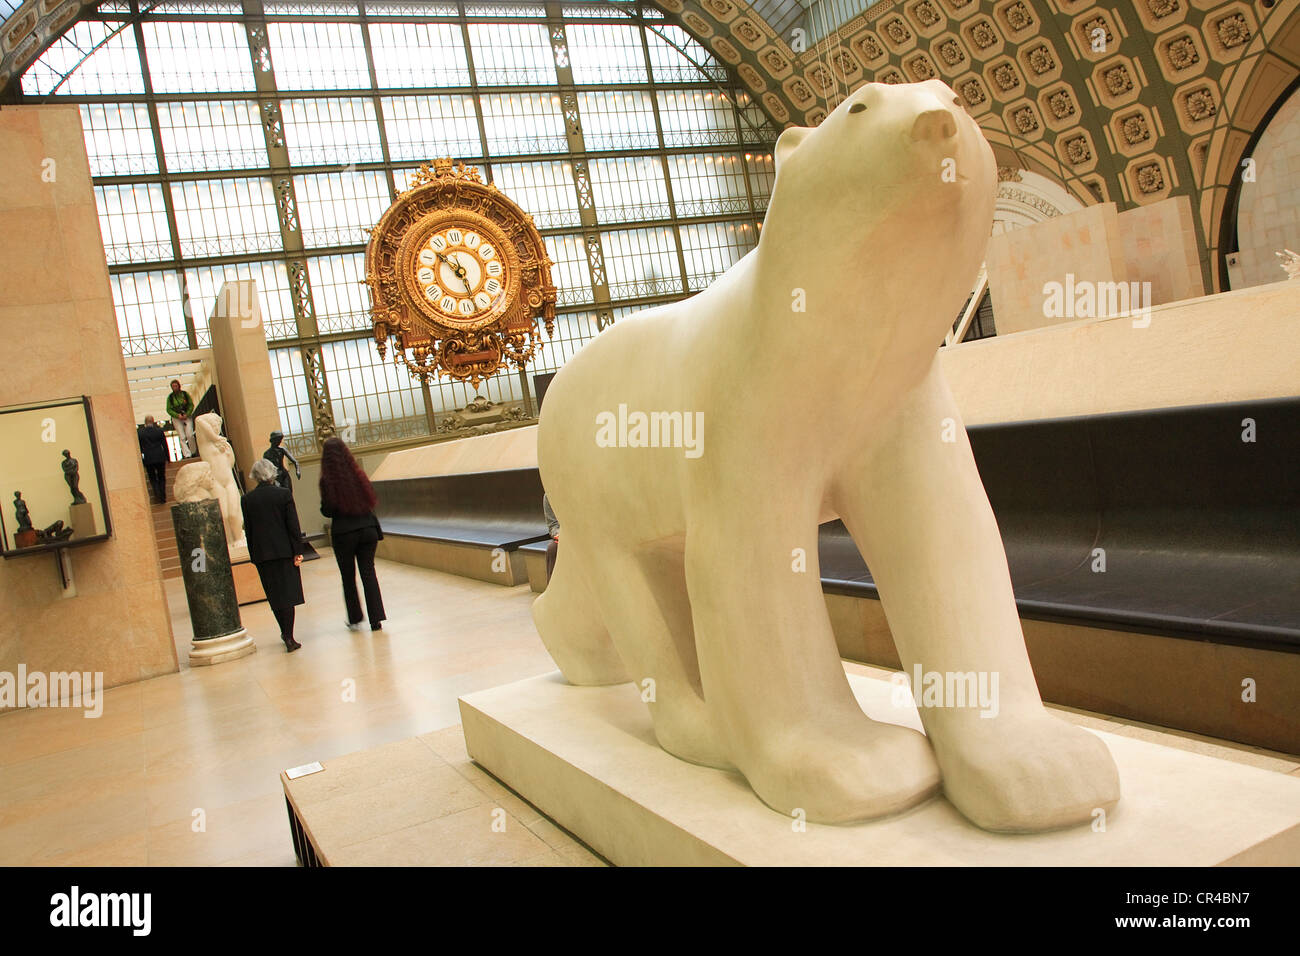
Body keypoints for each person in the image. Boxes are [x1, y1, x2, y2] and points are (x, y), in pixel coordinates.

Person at [319, 436, 386, 632]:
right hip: (367, 529)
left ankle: (355, 617)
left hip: (344, 533)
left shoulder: (327, 480)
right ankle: (376, 619)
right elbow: (370, 500)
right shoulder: (359, 474)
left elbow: (328, 510)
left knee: (348, 577)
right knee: (369, 573)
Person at [241, 458, 305, 652]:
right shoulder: (283, 494)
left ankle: (284, 632)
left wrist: (253, 555)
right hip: (284, 551)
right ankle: (289, 635)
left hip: (263, 554)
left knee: (275, 596)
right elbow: (292, 525)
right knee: (288, 595)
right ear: (272, 474)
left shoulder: (247, 499)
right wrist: (298, 551)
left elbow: (249, 530)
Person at [138, 416, 169, 503]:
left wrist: (141, 460)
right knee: (161, 477)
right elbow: (165, 445)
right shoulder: (159, 431)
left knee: (152, 478)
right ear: (153, 421)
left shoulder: (140, 433)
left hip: (148, 458)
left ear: (145, 422)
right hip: (159, 457)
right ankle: (163, 496)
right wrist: (168, 458)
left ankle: (156, 494)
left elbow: (139, 448)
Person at [166, 379, 196, 458]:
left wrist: (187, 413)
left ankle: (193, 451)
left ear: (179, 386)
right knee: (182, 436)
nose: (174, 388)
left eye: (176, 386)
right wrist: (177, 415)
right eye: (173, 386)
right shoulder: (170, 397)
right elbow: (168, 409)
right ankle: (187, 454)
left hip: (186, 416)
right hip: (177, 418)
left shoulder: (185, 394)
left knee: (190, 434)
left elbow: (191, 405)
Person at [542, 492, 559, 582]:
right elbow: (553, 525)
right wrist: (558, 535)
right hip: (565, 536)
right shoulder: (549, 495)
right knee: (553, 548)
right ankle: (553, 591)